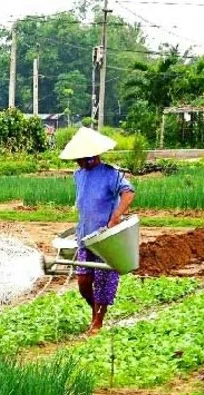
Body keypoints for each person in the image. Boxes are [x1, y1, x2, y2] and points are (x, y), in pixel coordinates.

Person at [59, 127, 135, 333]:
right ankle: (95, 312)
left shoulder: (111, 174)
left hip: (105, 238)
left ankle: (98, 322)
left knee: (103, 283)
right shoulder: (79, 175)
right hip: (85, 237)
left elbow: (128, 193)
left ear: (93, 156)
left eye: (82, 158)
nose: (79, 162)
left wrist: (116, 216)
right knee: (84, 282)